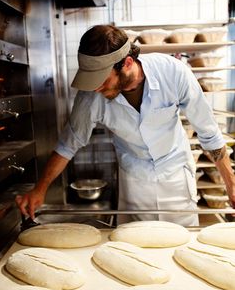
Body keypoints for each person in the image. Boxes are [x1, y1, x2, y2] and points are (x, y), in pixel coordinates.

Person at [16, 24, 235, 226]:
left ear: (127, 63)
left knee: (182, 245)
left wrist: (231, 185)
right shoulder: (91, 96)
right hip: (134, 182)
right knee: (135, 250)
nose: (95, 88)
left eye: (102, 79)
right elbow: (68, 145)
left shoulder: (173, 72)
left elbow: (209, 133)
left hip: (175, 176)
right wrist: (40, 189)